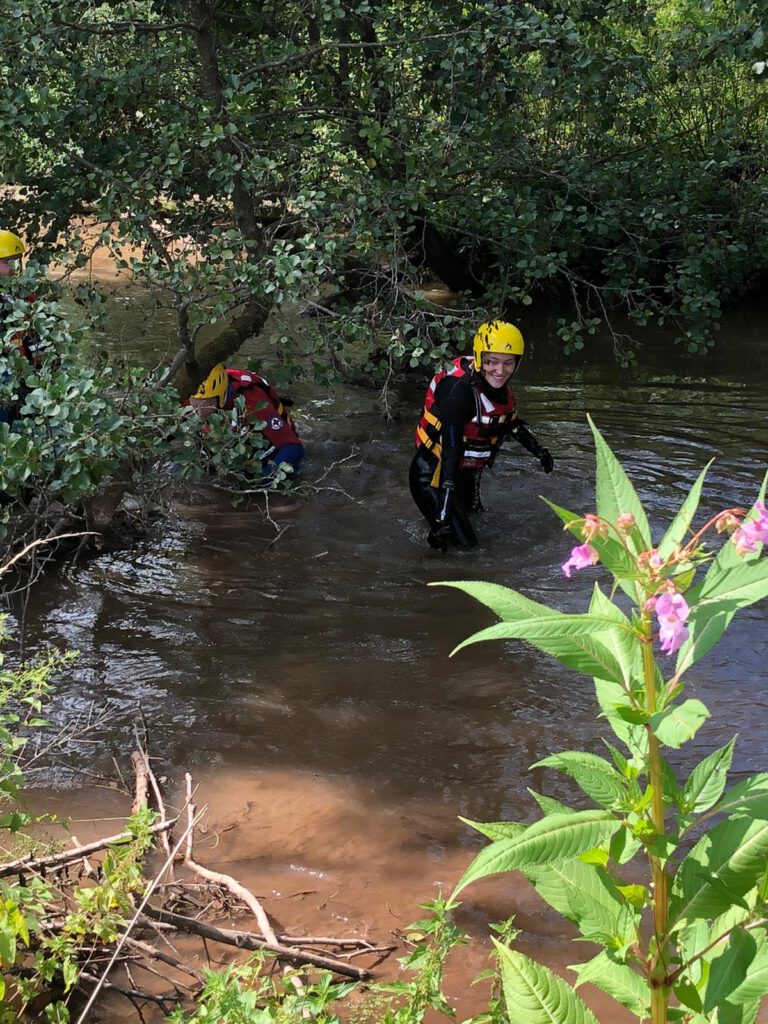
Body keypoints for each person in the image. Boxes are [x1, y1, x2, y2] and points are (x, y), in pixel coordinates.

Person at [409, 319, 554, 551]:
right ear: (479, 358)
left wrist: (538, 450)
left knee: (476, 520)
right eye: (492, 361)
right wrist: (441, 519)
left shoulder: (496, 388)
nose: (500, 371)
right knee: (467, 551)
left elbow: (506, 421)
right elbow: (449, 457)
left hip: (466, 470)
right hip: (434, 474)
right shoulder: (458, 395)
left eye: (508, 363)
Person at [188, 363, 304, 477]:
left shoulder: (252, 401)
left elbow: (293, 448)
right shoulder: (193, 393)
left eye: (206, 406)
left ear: (220, 396)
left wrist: (265, 478)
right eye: (194, 406)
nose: (200, 413)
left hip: (268, 444)